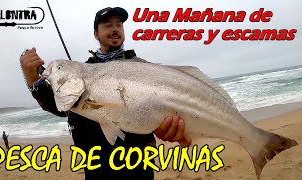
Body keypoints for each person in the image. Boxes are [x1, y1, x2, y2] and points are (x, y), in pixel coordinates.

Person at [20, 7, 191, 179]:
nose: (115, 29)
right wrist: (32, 80)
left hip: (138, 166)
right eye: (108, 25)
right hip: (95, 167)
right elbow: (59, 106)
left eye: (119, 25)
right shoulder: (81, 72)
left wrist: (172, 126)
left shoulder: (142, 68)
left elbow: (162, 106)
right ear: (96, 34)